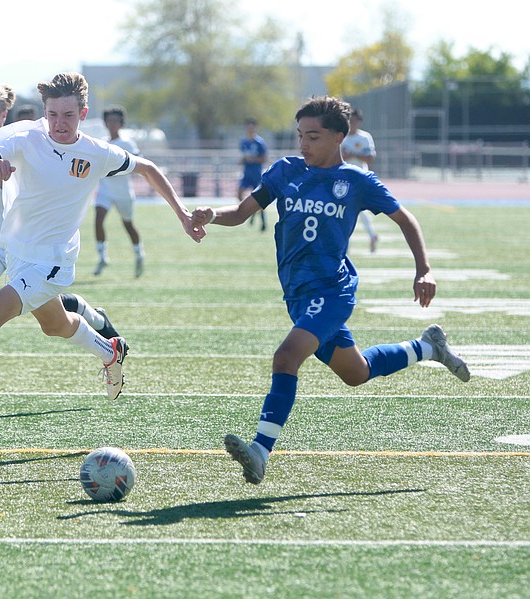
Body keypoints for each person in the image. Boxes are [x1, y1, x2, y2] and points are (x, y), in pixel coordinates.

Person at [192, 96, 470, 485]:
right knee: (356, 373)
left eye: (313, 136)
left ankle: (260, 450)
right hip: (298, 294)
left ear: (339, 136)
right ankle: (429, 347)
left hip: (333, 290)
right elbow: (241, 213)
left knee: (286, 357)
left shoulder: (356, 181)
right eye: (300, 135)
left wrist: (424, 269)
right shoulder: (285, 171)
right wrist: (211, 216)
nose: (303, 144)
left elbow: (406, 219)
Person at [0, 71, 204, 445]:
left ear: (83, 113)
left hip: (53, 261)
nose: (59, 123)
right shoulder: (25, 135)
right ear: (44, 111)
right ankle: (109, 350)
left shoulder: (97, 152)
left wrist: (183, 215)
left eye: (68, 115)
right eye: (53, 114)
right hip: (19, 254)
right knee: (54, 325)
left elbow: (149, 168)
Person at [0, 84, 117, 398]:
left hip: (23, 242)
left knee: (53, 323)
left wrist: (2, 179)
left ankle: (89, 317)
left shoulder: (24, 142)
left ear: (3, 114)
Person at [92, 105, 144, 277]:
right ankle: (102, 257)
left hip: (123, 192)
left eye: (116, 121)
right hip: (105, 190)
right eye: (109, 120)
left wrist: (117, 170)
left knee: (128, 224)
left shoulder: (127, 143)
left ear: (121, 123)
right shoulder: (101, 142)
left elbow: (138, 165)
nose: (112, 123)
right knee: (98, 219)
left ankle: (138, 254)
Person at [341, 108, 379, 252]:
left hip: (361, 178)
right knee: (344, 211)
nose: (352, 123)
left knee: (360, 210)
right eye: (350, 120)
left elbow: (370, 157)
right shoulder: (341, 137)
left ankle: (370, 235)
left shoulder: (364, 137)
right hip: (344, 178)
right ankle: (347, 243)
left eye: (355, 120)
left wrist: (353, 154)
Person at [238, 117, 268, 232]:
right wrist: (243, 160)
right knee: (239, 193)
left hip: (256, 174)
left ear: (256, 128)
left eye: (252, 126)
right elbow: (244, 157)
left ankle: (263, 222)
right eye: (248, 126)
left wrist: (252, 159)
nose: (250, 129)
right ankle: (249, 212)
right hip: (247, 174)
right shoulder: (244, 143)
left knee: (260, 200)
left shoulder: (259, 143)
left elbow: (264, 159)